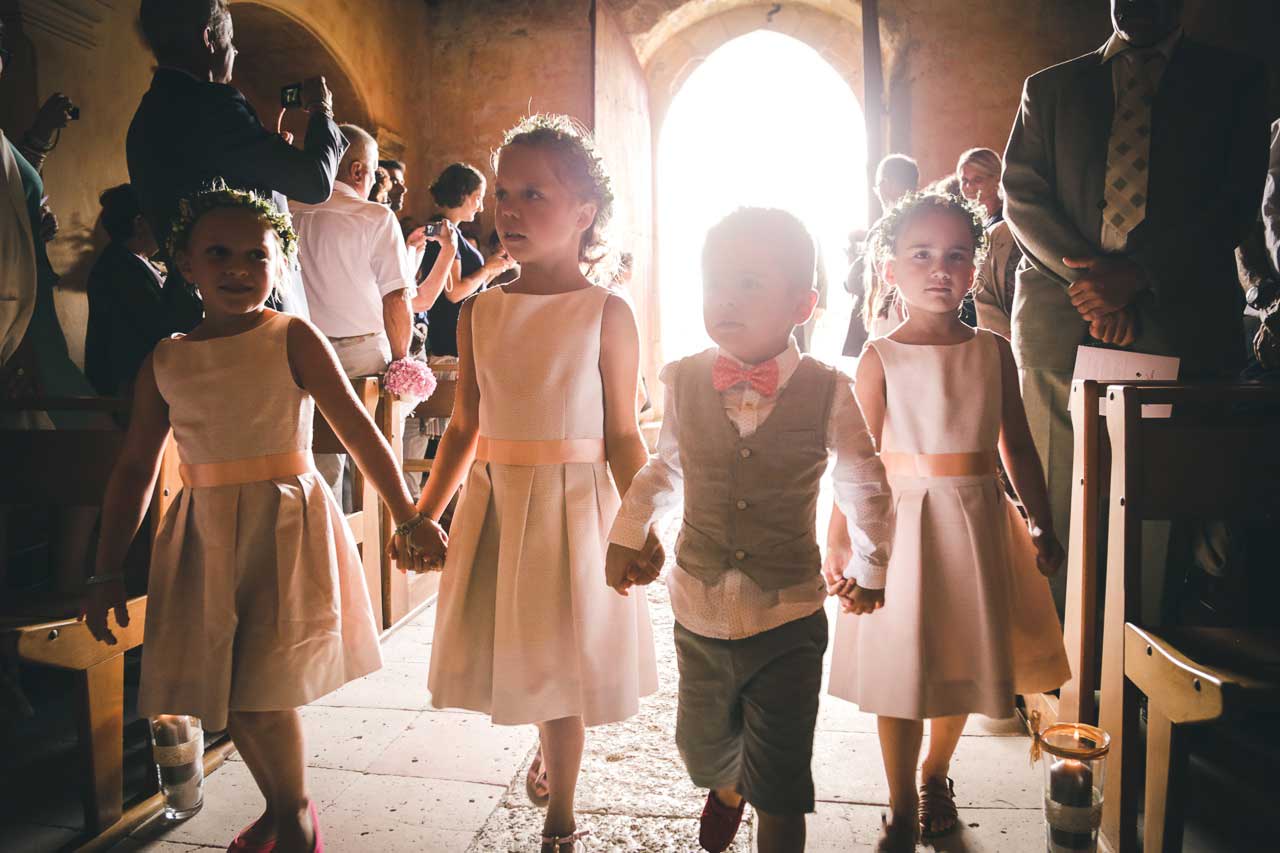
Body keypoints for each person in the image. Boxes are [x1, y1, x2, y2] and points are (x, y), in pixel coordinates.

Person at [83, 186, 445, 853]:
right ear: (184, 262)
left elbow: (360, 430)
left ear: (281, 264)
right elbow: (134, 468)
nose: (238, 266)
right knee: (227, 689)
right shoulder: (166, 359)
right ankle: (285, 808)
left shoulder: (293, 336)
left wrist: (407, 513)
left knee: (257, 689)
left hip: (284, 528)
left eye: (257, 253)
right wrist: (106, 570)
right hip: (204, 535)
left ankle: (295, 814)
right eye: (217, 252)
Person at [401, 114, 659, 853]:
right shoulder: (483, 310)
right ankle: (550, 751)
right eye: (504, 192)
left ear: (585, 214)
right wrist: (425, 511)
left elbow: (621, 434)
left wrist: (642, 521)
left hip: (577, 504)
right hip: (502, 499)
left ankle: (562, 810)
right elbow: (463, 425)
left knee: (564, 656)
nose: (508, 209)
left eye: (533, 195)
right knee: (530, 645)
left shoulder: (607, 312)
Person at [604, 208, 894, 853]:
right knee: (701, 746)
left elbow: (864, 482)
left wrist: (871, 569)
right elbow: (667, 466)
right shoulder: (681, 378)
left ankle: (764, 800)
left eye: (749, 284)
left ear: (802, 303)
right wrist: (628, 531)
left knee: (783, 778)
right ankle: (727, 783)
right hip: (698, 611)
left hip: (787, 613)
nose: (725, 300)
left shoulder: (829, 390)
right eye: (715, 284)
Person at [1002, 0, 1269, 603]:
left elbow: (1233, 201)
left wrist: (1138, 275)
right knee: (1055, 497)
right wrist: (1092, 284)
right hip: (1059, 317)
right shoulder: (1049, 87)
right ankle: (1060, 669)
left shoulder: (1233, 81)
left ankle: (1135, 658)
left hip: (1177, 316)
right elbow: (1020, 195)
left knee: (1154, 504)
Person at [826, 192, 1070, 849]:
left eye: (956, 256)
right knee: (898, 665)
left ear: (973, 270)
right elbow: (857, 457)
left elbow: (1015, 443)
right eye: (922, 255)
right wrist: (839, 537)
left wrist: (1041, 522)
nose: (940, 268)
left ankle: (936, 771)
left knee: (961, 653)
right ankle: (901, 799)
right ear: (890, 270)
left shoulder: (993, 351)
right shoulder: (879, 357)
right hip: (899, 528)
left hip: (973, 522)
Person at [127, 0, 349, 332]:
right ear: (209, 39)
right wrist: (321, 110)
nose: (234, 52)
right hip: (246, 313)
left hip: (189, 310)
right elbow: (314, 181)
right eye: (231, 42)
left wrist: (268, 156)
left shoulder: (146, 117)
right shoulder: (213, 106)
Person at [290, 124, 428, 503]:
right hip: (363, 356)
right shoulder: (374, 217)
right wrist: (403, 361)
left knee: (320, 463)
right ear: (356, 171)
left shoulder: (287, 211)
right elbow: (396, 298)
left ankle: (328, 546)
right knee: (375, 466)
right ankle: (375, 548)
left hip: (302, 354)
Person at [84, 184, 169, 396]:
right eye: (156, 217)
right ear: (139, 223)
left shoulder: (132, 262)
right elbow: (156, 323)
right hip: (130, 388)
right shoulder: (118, 268)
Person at [842, 153, 918, 357]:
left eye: (877, 185)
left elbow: (857, 280)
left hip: (889, 314)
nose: (876, 191)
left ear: (886, 184)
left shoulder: (888, 225)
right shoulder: (922, 219)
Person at [957, 148, 1023, 338]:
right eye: (965, 180)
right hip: (971, 311)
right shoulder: (972, 223)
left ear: (996, 179)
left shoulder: (1006, 224)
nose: (969, 187)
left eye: (977, 180)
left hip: (996, 316)